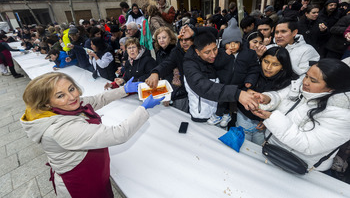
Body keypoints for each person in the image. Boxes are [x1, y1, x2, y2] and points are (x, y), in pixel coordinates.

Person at [20, 72, 164, 198]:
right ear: (46, 103)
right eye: (60, 95)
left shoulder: (63, 107)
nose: (71, 97)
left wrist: (124, 90)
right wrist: (143, 108)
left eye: (71, 89)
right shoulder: (60, 129)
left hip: (92, 171)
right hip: (82, 181)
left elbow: (96, 100)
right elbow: (118, 134)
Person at [252, 58, 350, 172]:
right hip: (271, 149)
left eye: (313, 80)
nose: (305, 81)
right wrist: (268, 99)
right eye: (306, 76)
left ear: (332, 88)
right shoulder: (301, 86)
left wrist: (271, 118)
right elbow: (281, 96)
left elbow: (309, 145)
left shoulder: (343, 114)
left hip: (303, 166)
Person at [183, 29, 259, 122]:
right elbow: (202, 85)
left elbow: (214, 30)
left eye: (215, 49)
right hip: (201, 116)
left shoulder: (219, 56)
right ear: (197, 52)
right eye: (207, 52)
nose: (213, 55)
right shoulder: (189, 64)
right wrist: (236, 94)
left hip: (219, 111)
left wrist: (194, 31)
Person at [236, 47, 298, 144]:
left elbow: (285, 106)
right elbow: (236, 85)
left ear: (283, 66)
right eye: (266, 61)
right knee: (240, 143)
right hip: (244, 115)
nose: (268, 67)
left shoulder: (289, 83)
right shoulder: (253, 71)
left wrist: (270, 120)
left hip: (265, 124)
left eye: (275, 64)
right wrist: (246, 91)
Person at [212, 18, 260, 127]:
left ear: (241, 42)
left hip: (239, 84)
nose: (232, 46)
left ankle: (227, 115)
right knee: (222, 100)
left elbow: (254, 69)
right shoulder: (220, 53)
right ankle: (219, 115)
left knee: (233, 103)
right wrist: (225, 55)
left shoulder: (249, 54)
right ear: (224, 44)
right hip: (223, 83)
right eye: (229, 43)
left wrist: (250, 80)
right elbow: (216, 65)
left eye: (236, 42)